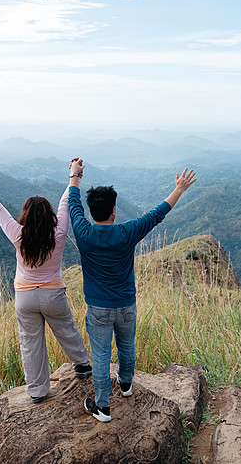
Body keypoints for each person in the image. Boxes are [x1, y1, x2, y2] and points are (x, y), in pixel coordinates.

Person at [67, 158, 196, 422]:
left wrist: (75, 176)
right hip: (126, 304)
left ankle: (102, 407)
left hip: (98, 308)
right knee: (127, 345)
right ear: (114, 211)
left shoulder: (83, 232)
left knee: (101, 357)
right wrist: (179, 189)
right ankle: (126, 385)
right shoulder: (127, 232)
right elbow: (157, 214)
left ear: (92, 213)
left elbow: (73, 205)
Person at [0, 162, 92, 403]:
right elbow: (67, 202)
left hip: (24, 297)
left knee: (30, 342)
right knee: (66, 329)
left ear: (25, 215)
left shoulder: (18, 234)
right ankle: (83, 364)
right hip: (53, 295)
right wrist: (74, 175)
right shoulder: (59, 233)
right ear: (49, 216)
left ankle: (37, 391)